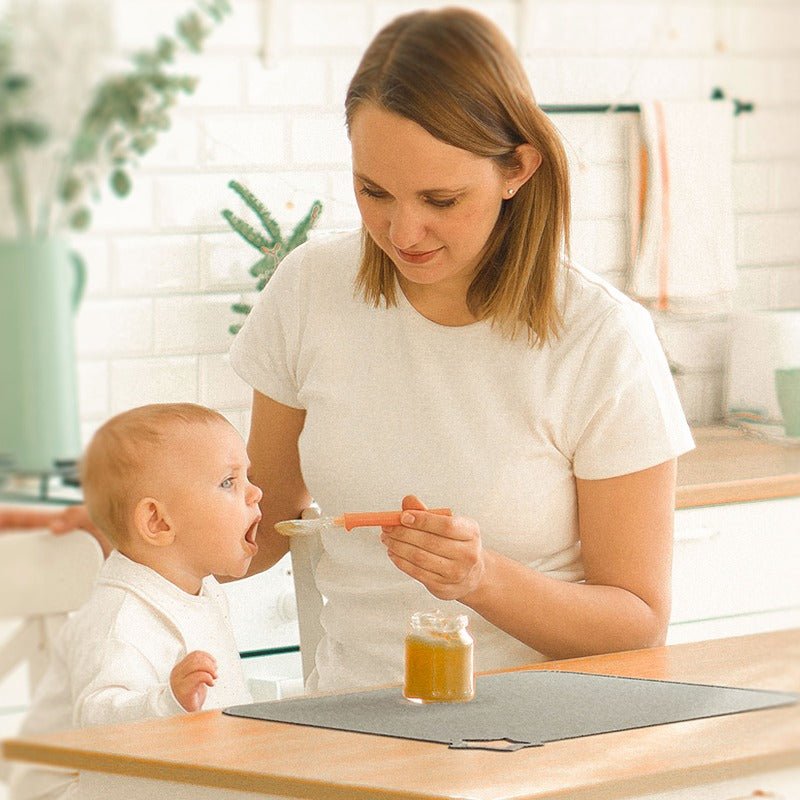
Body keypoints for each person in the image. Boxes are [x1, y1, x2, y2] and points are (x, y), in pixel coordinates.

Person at [2, 8, 693, 695]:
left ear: (516, 169)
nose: (403, 230)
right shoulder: (311, 289)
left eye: (441, 199)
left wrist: (482, 580)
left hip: (537, 741)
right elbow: (262, 529)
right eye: (373, 191)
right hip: (347, 725)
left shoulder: (602, 339)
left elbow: (638, 624)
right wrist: (128, 526)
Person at [8, 403, 260, 800]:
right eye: (229, 482)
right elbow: (100, 721)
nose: (255, 492)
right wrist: (167, 700)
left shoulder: (205, 594)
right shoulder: (119, 614)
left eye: (248, 476)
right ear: (158, 522)